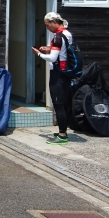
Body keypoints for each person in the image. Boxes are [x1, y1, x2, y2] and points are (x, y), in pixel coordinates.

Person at [31, 12, 74, 145]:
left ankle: (62, 135)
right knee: (64, 104)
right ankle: (63, 132)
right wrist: (49, 49)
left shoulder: (58, 36)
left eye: (48, 25)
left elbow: (53, 58)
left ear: (54, 22)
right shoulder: (67, 34)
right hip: (66, 72)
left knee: (58, 104)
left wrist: (39, 54)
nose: (47, 28)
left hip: (58, 74)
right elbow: (62, 52)